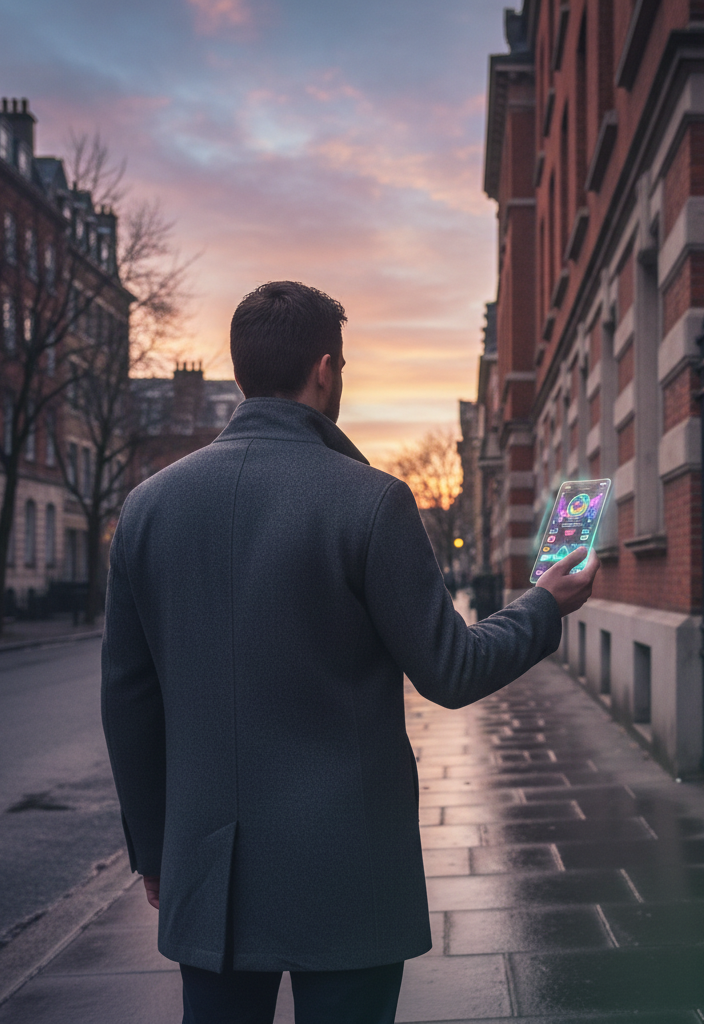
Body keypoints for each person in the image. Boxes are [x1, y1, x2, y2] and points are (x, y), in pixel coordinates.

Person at [101, 281, 599, 1024]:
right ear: (326, 370)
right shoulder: (372, 500)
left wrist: (152, 851)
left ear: (241, 369)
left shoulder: (146, 508)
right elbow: (452, 669)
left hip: (211, 874)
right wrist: (543, 606)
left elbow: (129, 701)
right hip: (349, 870)